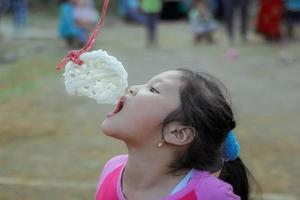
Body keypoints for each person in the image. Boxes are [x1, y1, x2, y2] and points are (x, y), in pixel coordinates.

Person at [97, 69, 260, 200]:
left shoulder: (211, 196)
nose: (132, 88)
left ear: (177, 133)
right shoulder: (111, 169)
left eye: (153, 89)